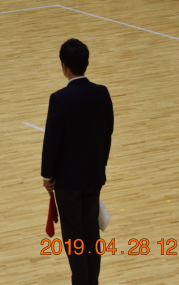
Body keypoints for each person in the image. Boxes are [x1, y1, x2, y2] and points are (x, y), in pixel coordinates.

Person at [41, 38, 114, 285]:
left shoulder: (59, 99)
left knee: (74, 238)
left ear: (64, 66)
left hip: (68, 183)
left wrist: (47, 175)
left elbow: (52, 141)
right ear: (86, 63)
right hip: (94, 177)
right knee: (91, 234)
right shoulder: (102, 93)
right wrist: (100, 166)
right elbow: (107, 134)